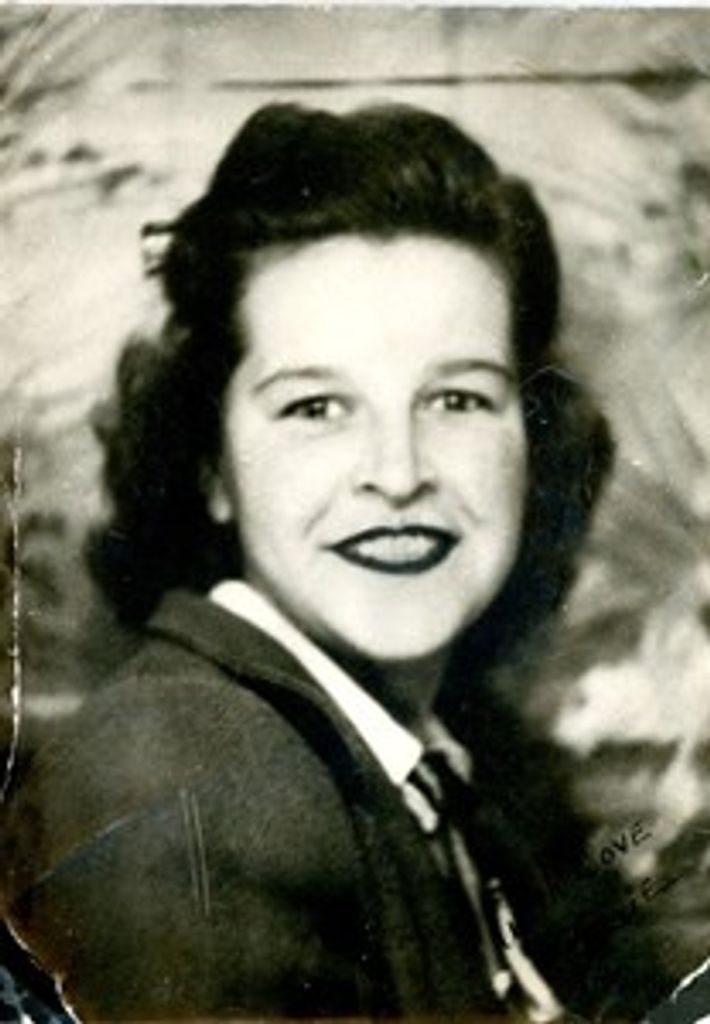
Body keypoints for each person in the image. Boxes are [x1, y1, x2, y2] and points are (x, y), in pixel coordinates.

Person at [0, 102, 667, 1021]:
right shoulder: (182, 785)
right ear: (211, 464)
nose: (398, 474)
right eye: (315, 408)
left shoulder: (438, 759)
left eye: (458, 399)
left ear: (531, 438)